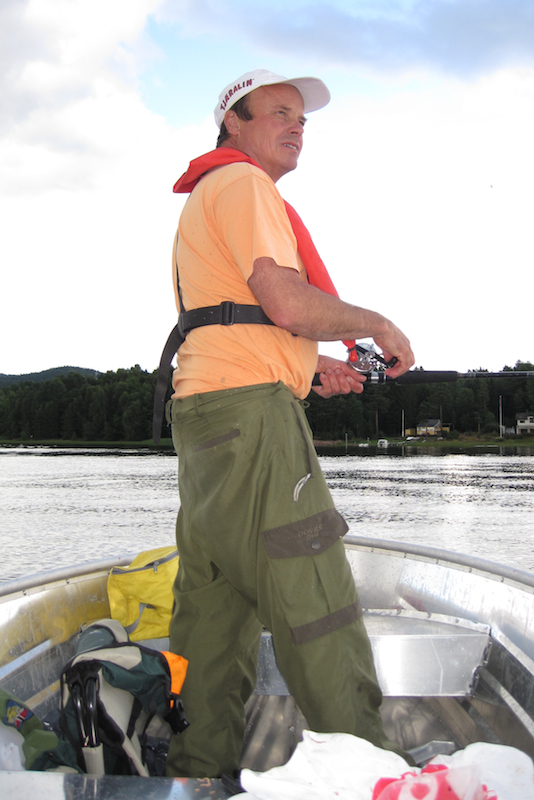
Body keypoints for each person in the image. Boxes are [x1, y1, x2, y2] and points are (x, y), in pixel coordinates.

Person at [164, 69, 415, 779]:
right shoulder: (245, 185)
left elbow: (237, 321)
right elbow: (286, 303)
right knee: (316, 599)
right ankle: (375, 775)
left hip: (205, 418)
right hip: (250, 421)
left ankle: (195, 771)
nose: (296, 127)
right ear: (234, 124)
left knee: (211, 615)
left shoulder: (211, 192)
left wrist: (310, 369)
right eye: (279, 112)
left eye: (302, 119)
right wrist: (377, 324)